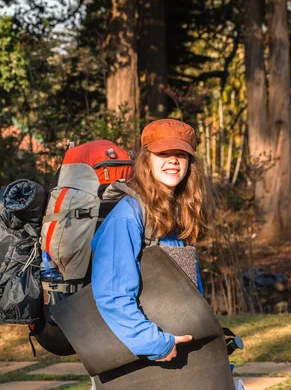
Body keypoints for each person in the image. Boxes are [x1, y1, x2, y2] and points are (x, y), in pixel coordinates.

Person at [90, 119, 234, 389]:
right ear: (147, 159)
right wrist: (154, 343)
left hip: (178, 350)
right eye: (163, 154)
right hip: (144, 355)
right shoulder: (128, 214)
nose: (173, 161)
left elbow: (186, 288)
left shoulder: (180, 211)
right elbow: (111, 294)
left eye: (180, 154)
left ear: (191, 163)